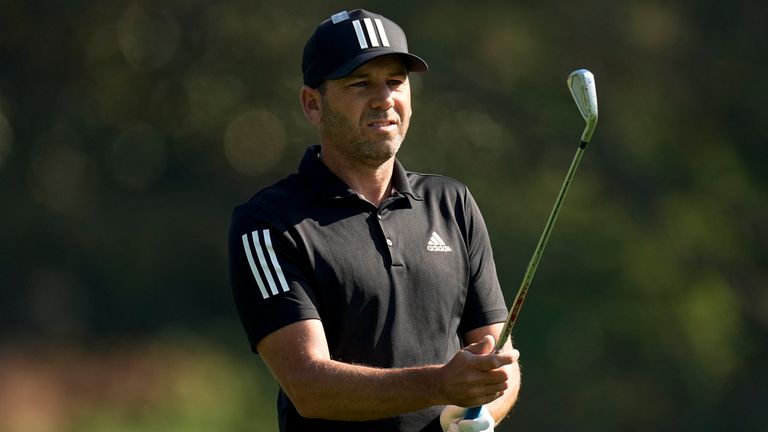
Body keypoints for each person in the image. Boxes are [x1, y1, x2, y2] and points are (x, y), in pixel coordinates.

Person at [229, 8, 521, 432]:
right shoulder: (269, 223)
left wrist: (475, 417)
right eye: (360, 84)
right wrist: (441, 385)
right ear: (313, 104)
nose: (384, 98)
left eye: (395, 82)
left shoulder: (452, 202)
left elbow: (498, 356)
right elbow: (308, 385)